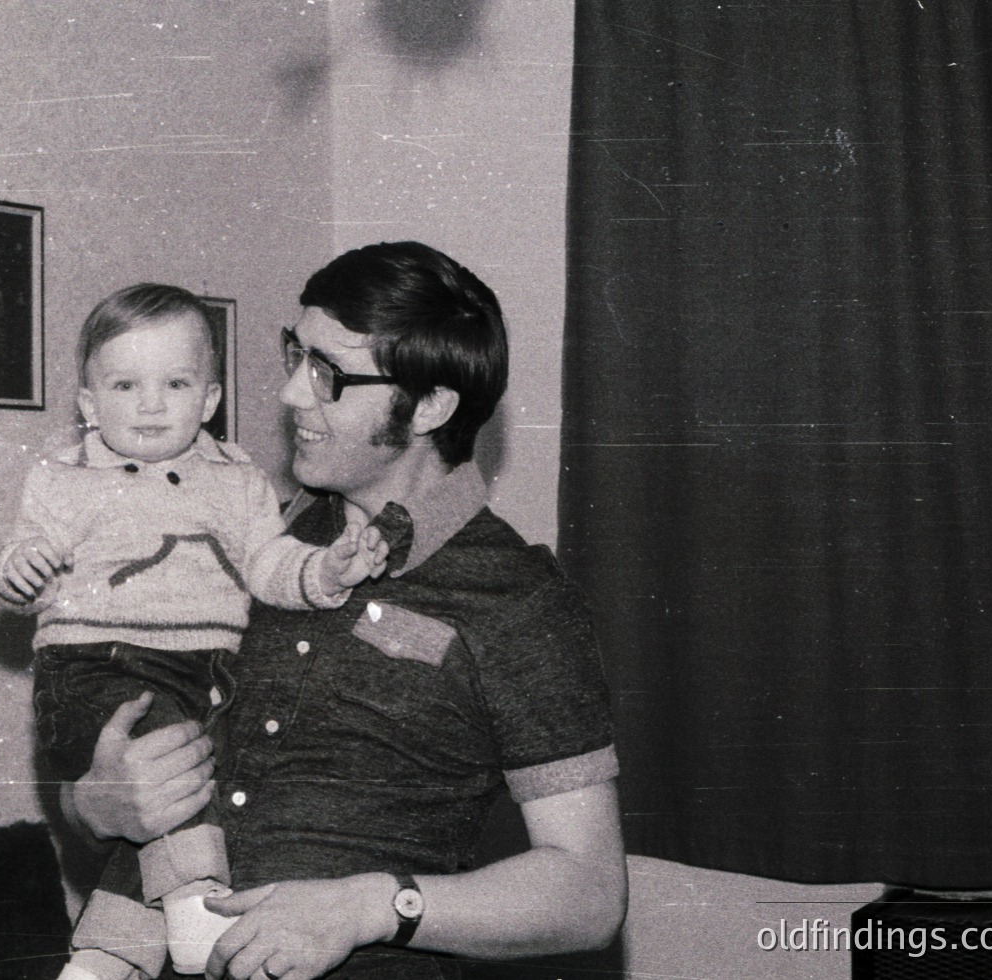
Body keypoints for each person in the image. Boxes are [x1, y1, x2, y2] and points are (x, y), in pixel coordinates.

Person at [58, 243, 626, 980]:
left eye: (328, 373)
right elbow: (116, 755)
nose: (293, 392)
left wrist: (371, 907)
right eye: (296, 354)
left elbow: (588, 893)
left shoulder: (519, 602)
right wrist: (96, 804)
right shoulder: (248, 537)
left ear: (430, 406)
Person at [0, 283, 388, 980]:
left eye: (175, 383)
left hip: (205, 670)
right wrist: (20, 571)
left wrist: (327, 571)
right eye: (124, 384)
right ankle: (196, 902)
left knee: (198, 788)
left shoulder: (236, 480)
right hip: (96, 665)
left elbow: (270, 565)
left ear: (209, 400)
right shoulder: (62, 476)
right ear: (88, 406)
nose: (151, 404)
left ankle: (103, 960)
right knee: (172, 758)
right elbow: (26, 557)